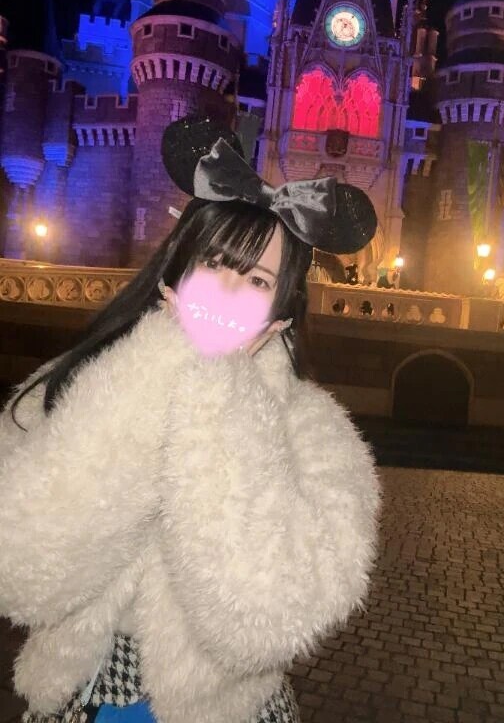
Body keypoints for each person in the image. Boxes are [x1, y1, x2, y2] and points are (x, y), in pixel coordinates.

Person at [0, 119, 381, 723]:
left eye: (257, 280)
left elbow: (261, 623)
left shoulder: (318, 434)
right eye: (214, 263)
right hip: (79, 696)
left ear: (282, 314)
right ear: (175, 269)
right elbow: (20, 572)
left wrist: (219, 389)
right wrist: (155, 363)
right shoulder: (64, 386)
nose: (228, 290)